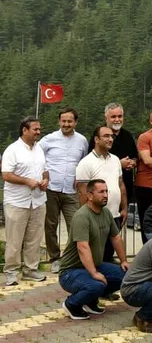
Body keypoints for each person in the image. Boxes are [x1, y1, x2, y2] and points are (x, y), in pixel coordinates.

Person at [57, 178, 128, 320]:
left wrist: (124, 261)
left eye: (106, 191)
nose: (106, 195)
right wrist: (94, 273)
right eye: (101, 192)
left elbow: (116, 237)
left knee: (126, 275)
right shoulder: (82, 216)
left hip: (95, 265)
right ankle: (71, 304)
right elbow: (83, 247)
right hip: (71, 271)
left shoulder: (106, 213)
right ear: (89, 195)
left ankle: (90, 301)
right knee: (96, 285)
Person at [39, 108, 88, 271]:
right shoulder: (48, 139)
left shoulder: (82, 141)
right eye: (64, 121)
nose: (66, 124)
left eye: (70, 121)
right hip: (51, 189)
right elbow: (37, 158)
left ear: (75, 122)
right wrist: (44, 175)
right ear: (59, 121)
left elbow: (83, 162)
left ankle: (70, 258)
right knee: (50, 224)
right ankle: (54, 258)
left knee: (75, 224)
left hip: (71, 190)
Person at [4, 117, 48, 286]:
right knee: (14, 240)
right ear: (24, 130)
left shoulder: (39, 149)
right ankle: (11, 272)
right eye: (35, 129)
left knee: (34, 238)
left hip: (37, 200)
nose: (38, 132)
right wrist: (26, 181)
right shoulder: (12, 150)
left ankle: (30, 270)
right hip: (17, 202)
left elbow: (45, 170)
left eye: (39, 129)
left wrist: (45, 180)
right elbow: (6, 175)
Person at [75, 125, 127, 244]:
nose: (110, 139)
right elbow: (83, 193)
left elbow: (121, 185)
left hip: (115, 216)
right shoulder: (85, 163)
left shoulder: (115, 160)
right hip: (96, 217)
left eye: (112, 136)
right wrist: (87, 218)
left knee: (109, 252)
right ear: (96, 139)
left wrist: (124, 208)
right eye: (106, 136)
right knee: (97, 254)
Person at [104, 104, 138, 214]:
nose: (117, 120)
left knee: (119, 225)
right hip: (104, 190)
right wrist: (119, 164)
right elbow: (93, 161)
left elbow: (135, 156)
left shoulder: (128, 136)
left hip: (125, 189)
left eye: (120, 116)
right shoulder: (99, 135)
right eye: (113, 117)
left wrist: (133, 162)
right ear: (106, 118)